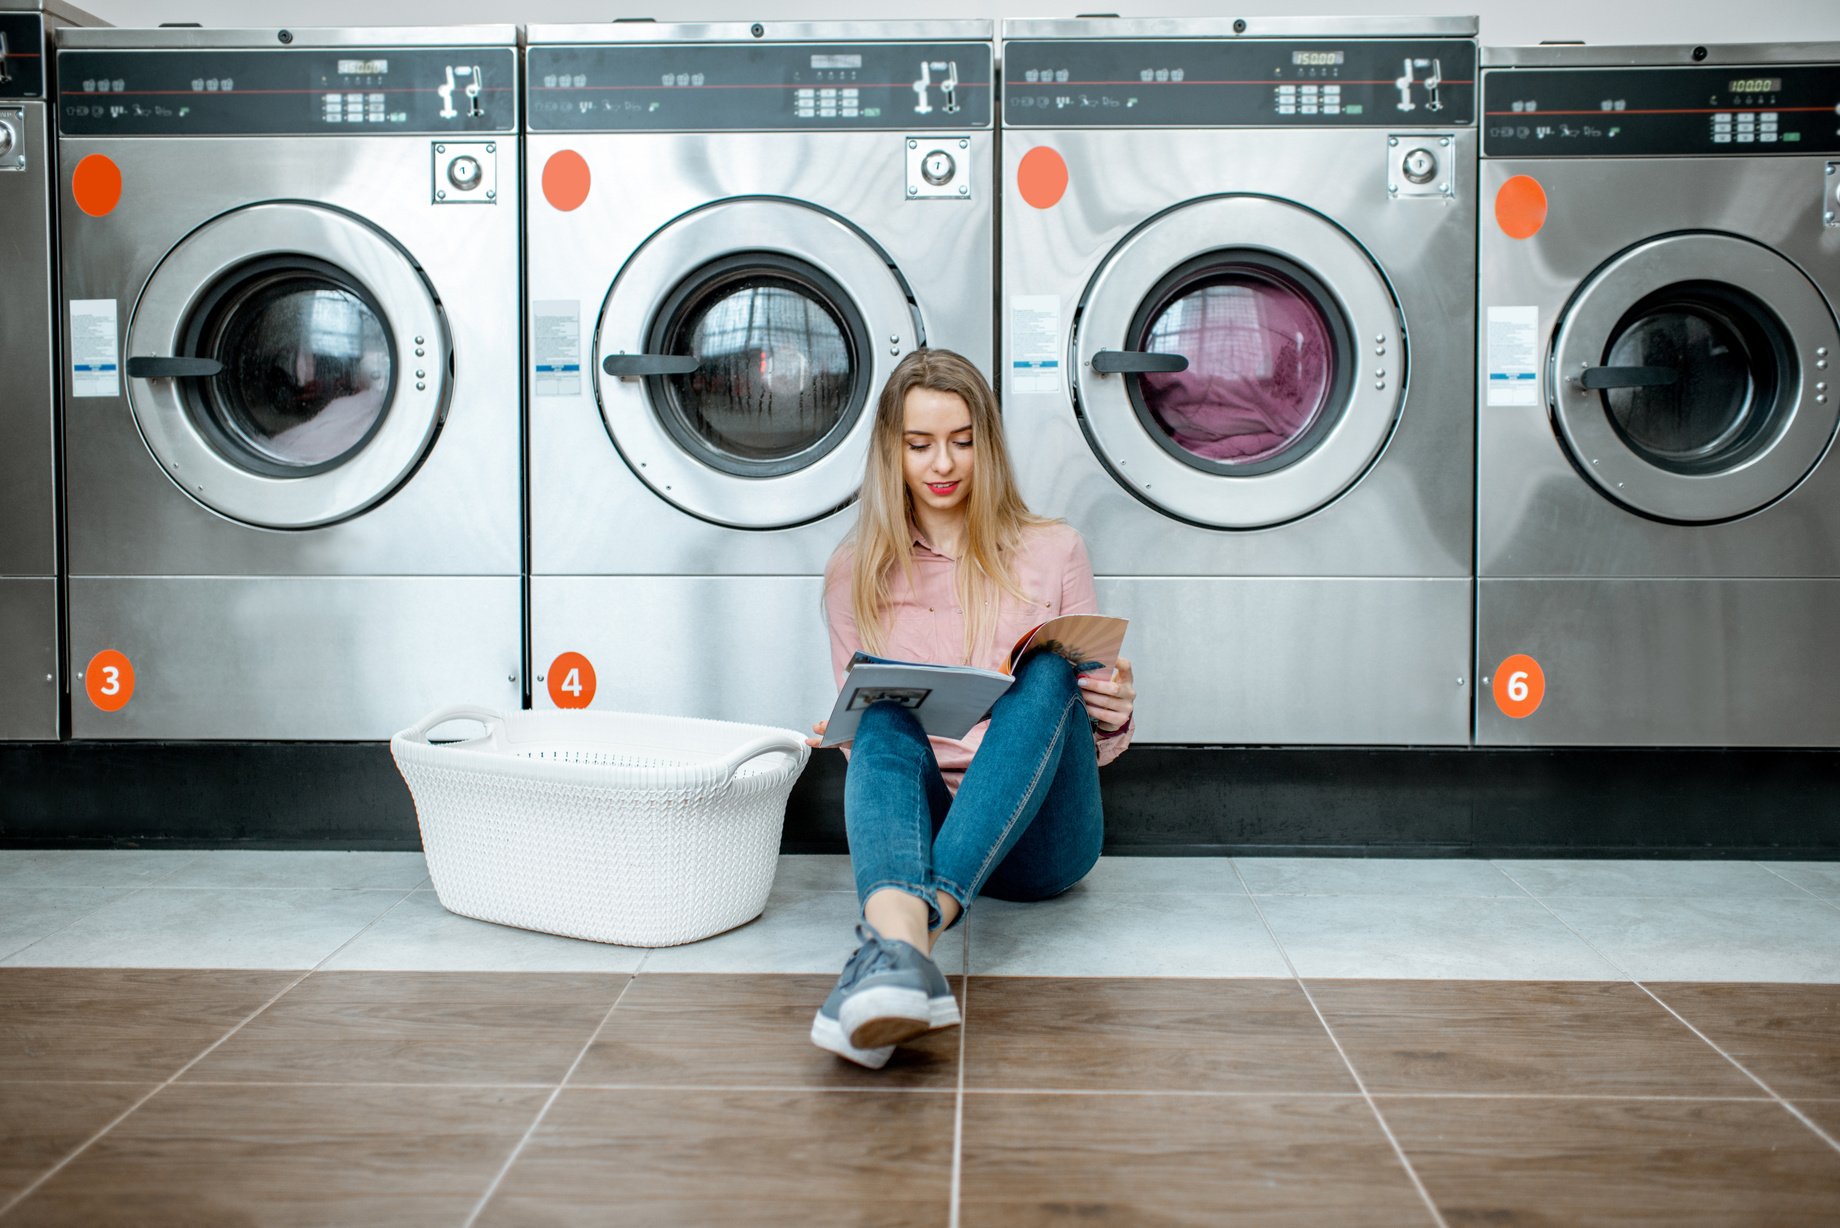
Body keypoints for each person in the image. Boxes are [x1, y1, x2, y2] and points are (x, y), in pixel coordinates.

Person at [806, 347, 1136, 1068]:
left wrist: (1113, 711)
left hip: (1042, 840)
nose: (943, 464)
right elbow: (876, 759)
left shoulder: (1054, 551)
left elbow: (1087, 728)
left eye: (962, 441)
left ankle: (904, 946)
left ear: (987, 443)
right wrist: (846, 732)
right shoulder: (851, 572)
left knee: (1048, 670)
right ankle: (901, 957)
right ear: (891, 453)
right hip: (926, 828)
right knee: (883, 709)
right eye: (920, 445)